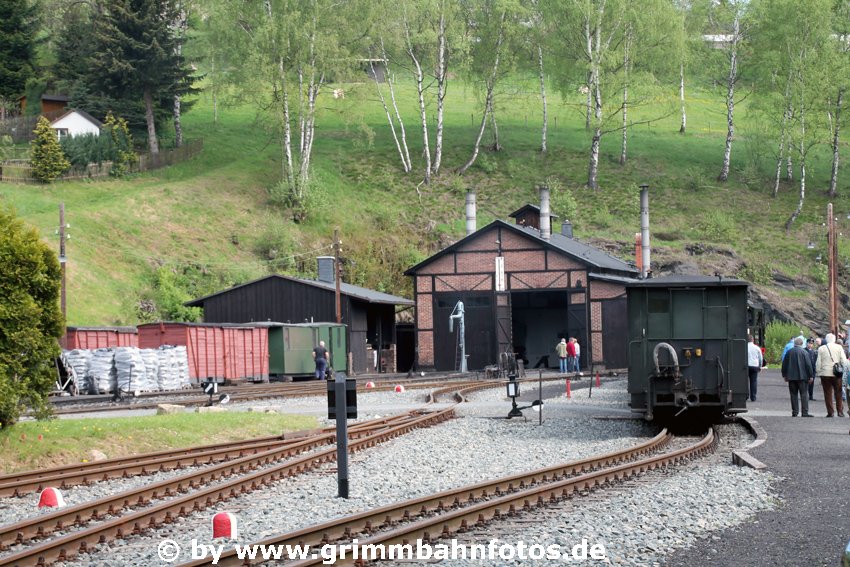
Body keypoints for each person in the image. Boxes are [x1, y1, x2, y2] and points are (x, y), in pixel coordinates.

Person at [816, 333, 848, 417]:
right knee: (838, 393)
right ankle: (840, 412)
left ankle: (830, 412)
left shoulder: (821, 348)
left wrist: (819, 372)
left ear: (826, 340)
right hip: (837, 373)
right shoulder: (839, 347)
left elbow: (818, 362)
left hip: (825, 374)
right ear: (834, 340)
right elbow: (844, 361)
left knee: (827, 393)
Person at [781, 337, 814, 417]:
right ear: (802, 343)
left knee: (793, 394)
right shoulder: (804, 352)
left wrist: (784, 375)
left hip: (791, 377)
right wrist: (811, 375)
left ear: (794, 344)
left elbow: (784, 364)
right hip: (802, 377)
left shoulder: (789, 352)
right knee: (804, 394)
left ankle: (795, 412)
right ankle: (804, 412)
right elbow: (808, 365)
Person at [746, 335, 763, 402]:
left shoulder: (744, 347)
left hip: (746, 366)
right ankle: (753, 397)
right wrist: (760, 366)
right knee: (753, 381)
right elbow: (760, 358)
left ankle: (746, 396)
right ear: (753, 340)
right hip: (754, 366)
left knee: (745, 382)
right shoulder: (757, 348)